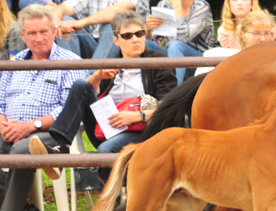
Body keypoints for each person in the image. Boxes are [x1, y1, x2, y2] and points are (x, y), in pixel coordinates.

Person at [29, 10, 177, 186]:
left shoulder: (157, 60)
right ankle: (60, 149)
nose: (135, 39)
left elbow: (168, 106)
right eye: (127, 35)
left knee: (105, 150)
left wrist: (138, 116)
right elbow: (90, 97)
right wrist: (97, 77)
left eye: (139, 33)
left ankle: (111, 209)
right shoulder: (112, 63)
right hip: (107, 127)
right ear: (116, 40)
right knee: (80, 85)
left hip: (141, 129)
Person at [187, 9, 276, 211]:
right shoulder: (226, 59)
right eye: (257, 33)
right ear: (243, 35)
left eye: (268, 33)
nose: (264, 38)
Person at [0, 4, 87, 211]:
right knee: (15, 146)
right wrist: (3, 123)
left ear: (53, 30)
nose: (39, 38)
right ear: (23, 35)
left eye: (44, 31)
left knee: (22, 149)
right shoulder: (13, 62)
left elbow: (67, 109)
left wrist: (31, 125)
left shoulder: (70, 61)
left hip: (49, 132)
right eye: (32, 33)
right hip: (9, 129)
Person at [51, 0, 162, 59]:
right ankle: (71, 73)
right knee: (65, 22)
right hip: (94, 45)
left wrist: (82, 23)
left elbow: (120, 10)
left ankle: (92, 79)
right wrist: (58, 24)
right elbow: (61, 9)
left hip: (124, 46)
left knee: (112, 25)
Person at [145, 0, 215, 84]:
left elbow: (183, 37)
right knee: (145, 43)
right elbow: (157, 40)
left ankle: (173, 91)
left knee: (176, 45)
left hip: (200, 62)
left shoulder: (201, 6)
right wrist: (148, 28)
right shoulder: (163, 5)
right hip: (172, 59)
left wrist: (177, 7)